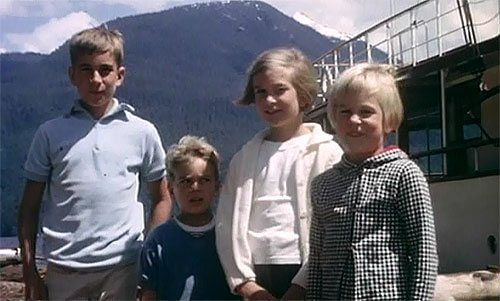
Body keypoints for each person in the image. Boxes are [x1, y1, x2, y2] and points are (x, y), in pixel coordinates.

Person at [17, 27, 171, 300]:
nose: (96, 79)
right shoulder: (50, 134)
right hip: (64, 271)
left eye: (105, 70)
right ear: (72, 75)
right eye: (86, 70)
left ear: (120, 75)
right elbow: (29, 209)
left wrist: (149, 258)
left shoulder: (142, 132)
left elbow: (161, 198)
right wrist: (30, 273)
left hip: (123, 270)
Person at [215, 47, 343, 300]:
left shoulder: (328, 154)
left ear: (304, 96)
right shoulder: (244, 159)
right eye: (261, 92)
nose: (269, 100)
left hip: (311, 270)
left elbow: (335, 226)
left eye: (280, 90)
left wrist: (301, 285)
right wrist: (246, 285)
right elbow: (225, 224)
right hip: (255, 273)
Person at [306, 63, 439, 300]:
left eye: (366, 112)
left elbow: (424, 251)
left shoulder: (404, 174)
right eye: (345, 112)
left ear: (389, 120)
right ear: (334, 119)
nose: (354, 120)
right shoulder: (322, 185)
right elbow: (316, 261)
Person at [140, 135, 236, 300]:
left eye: (204, 180)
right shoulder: (159, 240)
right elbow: (148, 293)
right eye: (186, 181)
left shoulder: (229, 235)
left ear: (217, 186)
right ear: (171, 189)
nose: (195, 188)